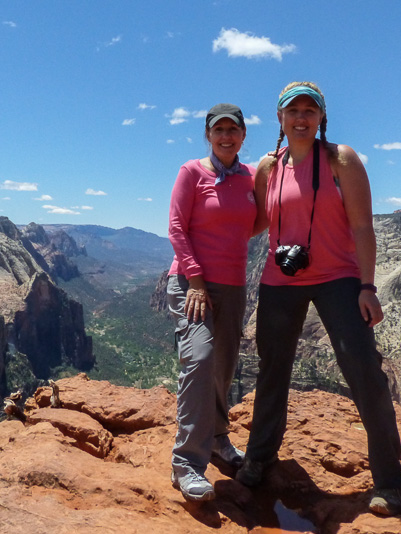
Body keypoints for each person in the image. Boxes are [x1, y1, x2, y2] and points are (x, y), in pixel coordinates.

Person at [235, 82, 401, 516]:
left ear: (321, 118)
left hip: (338, 279)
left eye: (310, 111)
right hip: (280, 279)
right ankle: (259, 458)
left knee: (364, 373)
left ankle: (389, 479)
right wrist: (210, 232)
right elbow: (257, 222)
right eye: (293, 110)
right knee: (272, 372)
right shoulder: (267, 167)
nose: (301, 117)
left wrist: (367, 287)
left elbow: (363, 227)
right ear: (279, 118)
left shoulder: (340, 159)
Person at [167, 103, 267, 501]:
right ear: (208, 135)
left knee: (224, 365)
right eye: (218, 130)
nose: (226, 136)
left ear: (243, 135)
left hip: (233, 285)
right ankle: (187, 463)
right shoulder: (192, 172)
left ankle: (218, 437)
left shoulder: (250, 176)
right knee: (201, 358)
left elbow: (257, 222)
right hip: (192, 284)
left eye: (233, 130)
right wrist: (194, 280)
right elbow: (176, 226)